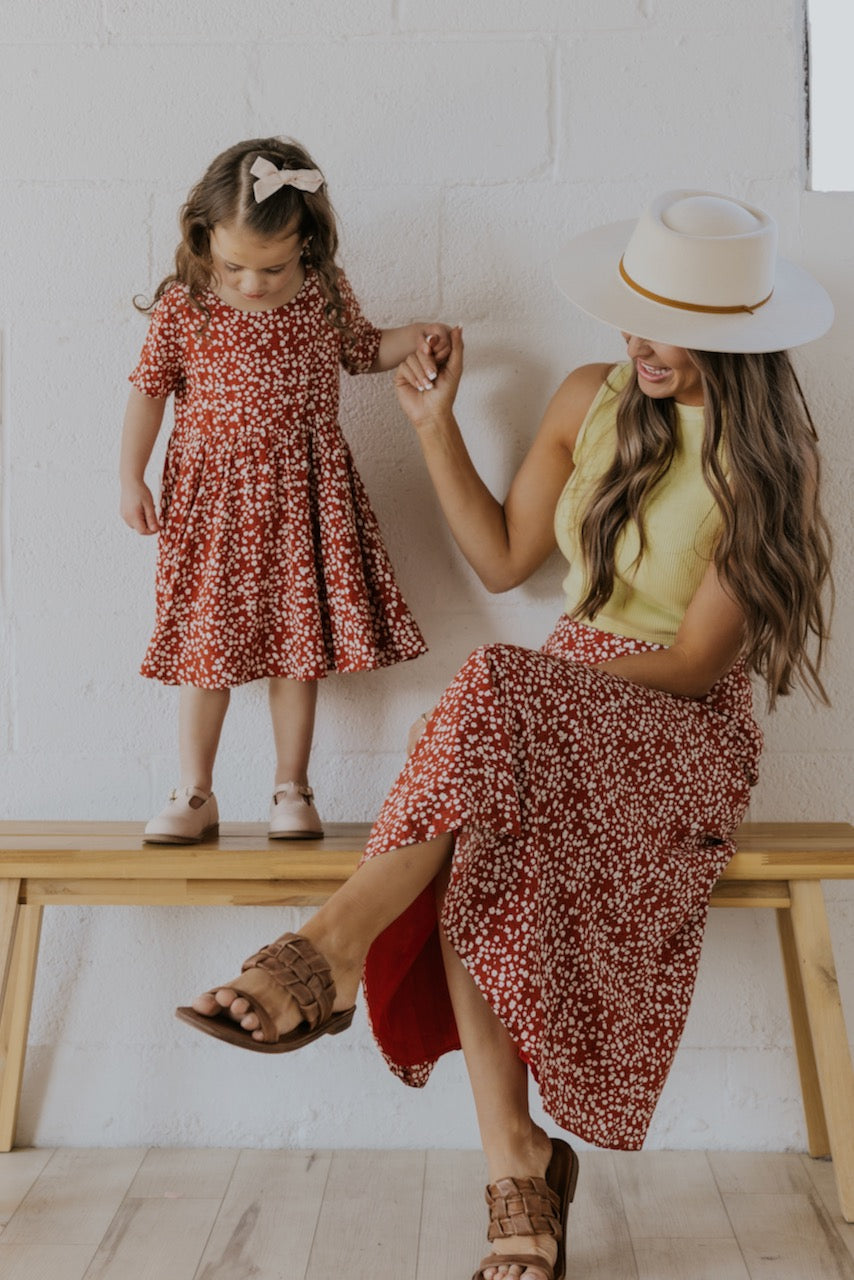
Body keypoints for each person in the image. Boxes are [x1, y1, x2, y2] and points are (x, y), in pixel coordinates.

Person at [175, 191, 833, 1280]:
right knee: (484, 824)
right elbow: (500, 560)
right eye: (633, 312)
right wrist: (432, 423)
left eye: (667, 322)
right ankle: (513, 1167)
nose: (635, 341)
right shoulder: (590, 396)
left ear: (733, 331)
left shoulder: (771, 459)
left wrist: (541, 696)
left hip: (673, 728)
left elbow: (698, 664)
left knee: (492, 689)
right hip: (538, 709)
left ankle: (330, 948)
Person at [119, 137, 451, 843]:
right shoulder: (185, 305)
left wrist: (417, 337)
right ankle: (194, 791)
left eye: (271, 267)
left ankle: (291, 788)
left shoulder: (323, 294)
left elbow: (364, 350)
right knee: (206, 651)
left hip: (304, 502)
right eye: (234, 264)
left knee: (297, 647)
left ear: (308, 243)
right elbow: (149, 395)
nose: (252, 283)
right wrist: (131, 476)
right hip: (212, 508)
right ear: (203, 237)